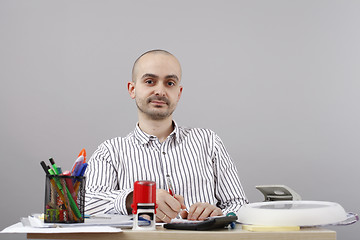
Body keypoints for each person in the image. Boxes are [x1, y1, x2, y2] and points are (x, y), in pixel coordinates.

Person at [85, 49, 248, 223]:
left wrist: (219, 215)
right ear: (132, 89)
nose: (160, 91)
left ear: (179, 93)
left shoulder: (209, 142)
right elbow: (87, 205)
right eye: (150, 81)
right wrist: (137, 198)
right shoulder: (110, 151)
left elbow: (239, 205)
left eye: (170, 83)